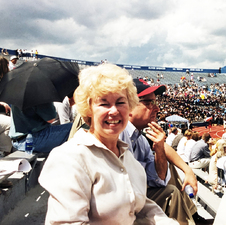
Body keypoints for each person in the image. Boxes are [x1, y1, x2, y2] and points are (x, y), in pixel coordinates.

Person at [39, 64, 178, 225]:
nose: (114, 111)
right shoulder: (69, 158)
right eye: (104, 103)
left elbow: (139, 206)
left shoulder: (127, 157)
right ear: (88, 109)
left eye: (120, 102)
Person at [120, 79, 210, 225]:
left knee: (171, 191)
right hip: (120, 208)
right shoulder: (117, 134)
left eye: (155, 103)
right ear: (128, 107)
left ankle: (192, 216)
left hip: (135, 200)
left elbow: (160, 178)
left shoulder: (140, 138)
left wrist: (160, 148)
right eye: (148, 103)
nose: (156, 109)